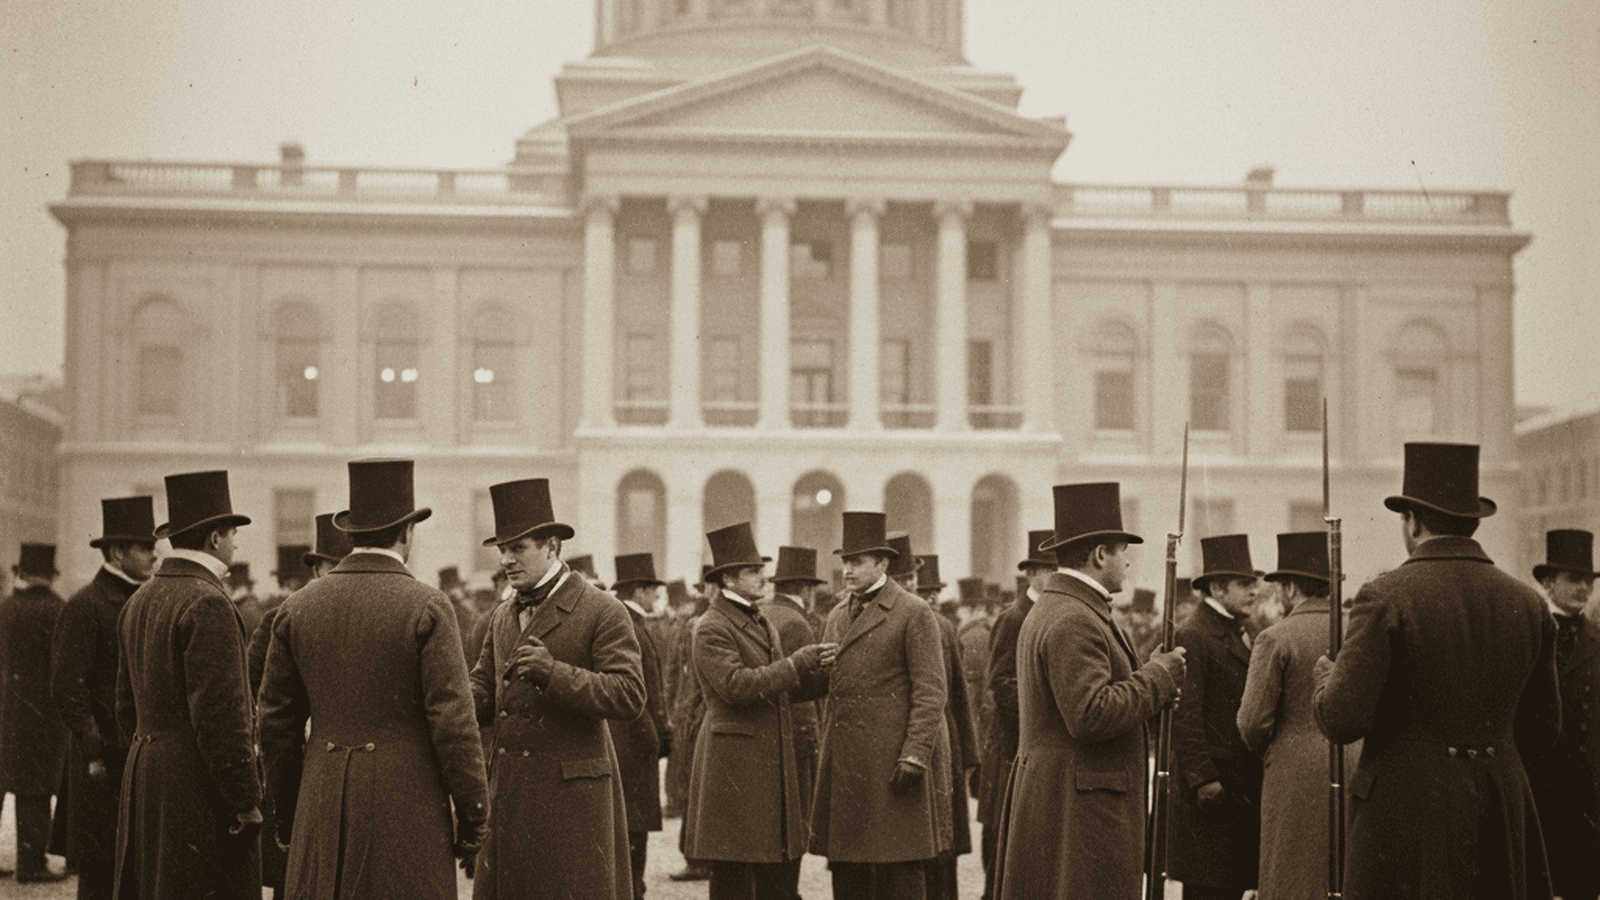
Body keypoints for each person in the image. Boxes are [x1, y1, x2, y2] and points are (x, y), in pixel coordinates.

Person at [1314, 442, 1561, 899]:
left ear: (1412, 521)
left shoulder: (1386, 595)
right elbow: (1545, 726)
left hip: (1405, 812)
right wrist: (1487, 756)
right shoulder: (1528, 603)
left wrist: (1325, 677)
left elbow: (1342, 719)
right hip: (1499, 806)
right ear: (1472, 521)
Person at [258, 459, 489, 899]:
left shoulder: (297, 608)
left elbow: (275, 725)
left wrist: (286, 813)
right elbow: (454, 723)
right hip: (407, 804)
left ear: (350, 534)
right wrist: (474, 812)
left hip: (320, 798)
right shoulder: (427, 605)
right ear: (407, 533)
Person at [994, 482, 1185, 899]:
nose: (1128, 563)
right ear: (1100, 554)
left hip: (1069, 803)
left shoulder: (1067, 607)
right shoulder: (1074, 617)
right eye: (1122, 551)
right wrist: (1157, 677)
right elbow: (1091, 714)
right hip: (1081, 811)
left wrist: (1152, 691)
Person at [469, 477, 645, 900]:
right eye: (502, 551)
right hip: (511, 796)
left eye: (518, 548)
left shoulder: (602, 609)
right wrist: (437, 698)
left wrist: (554, 674)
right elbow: (483, 690)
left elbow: (629, 694)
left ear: (552, 546)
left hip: (574, 803)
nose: (507, 561)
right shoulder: (503, 615)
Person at [114, 469, 262, 899]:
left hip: (146, 775)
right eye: (233, 533)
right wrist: (244, 799)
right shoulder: (208, 601)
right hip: (196, 786)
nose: (236, 543)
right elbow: (221, 717)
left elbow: (125, 705)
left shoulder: (139, 599)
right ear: (215, 538)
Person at [685, 524, 834, 900]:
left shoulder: (759, 619)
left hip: (762, 762)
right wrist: (797, 663)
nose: (763, 577)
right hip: (734, 764)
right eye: (753, 571)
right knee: (733, 871)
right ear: (729, 579)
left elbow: (779, 684)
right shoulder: (711, 627)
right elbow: (737, 686)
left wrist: (828, 675)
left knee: (769, 865)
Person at [811, 511, 951, 900]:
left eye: (857, 562)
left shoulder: (913, 612)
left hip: (891, 764)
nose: (848, 571)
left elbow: (931, 691)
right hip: (848, 765)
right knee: (849, 870)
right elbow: (826, 680)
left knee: (899, 872)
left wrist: (915, 754)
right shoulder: (838, 615)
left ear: (883, 563)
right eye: (845, 562)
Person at [1236, 531, 1359, 900]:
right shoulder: (1357, 628)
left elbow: (1251, 721)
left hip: (1293, 775)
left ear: (1290, 588)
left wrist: (1278, 749)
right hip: (1356, 763)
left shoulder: (1276, 637)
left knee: (1293, 876)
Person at [50, 498, 156, 897]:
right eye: (145, 548)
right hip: (101, 766)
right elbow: (67, 689)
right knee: (100, 874)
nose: (154, 555)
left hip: (131, 757)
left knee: (131, 871)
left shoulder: (143, 600)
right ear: (117, 552)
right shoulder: (85, 606)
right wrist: (94, 751)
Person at [1167, 533, 1263, 900]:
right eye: (1244, 584)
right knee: (1208, 887)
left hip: (1238, 787)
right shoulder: (1194, 634)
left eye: (1254, 584)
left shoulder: (1243, 631)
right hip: (1212, 792)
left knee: (1230, 884)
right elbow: (1185, 715)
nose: (1254, 592)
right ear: (1218, 588)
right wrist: (1203, 779)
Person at [895, 537, 978, 900]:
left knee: (942, 842)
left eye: (928, 590)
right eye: (915, 586)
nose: (924, 597)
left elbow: (959, 695)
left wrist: (970, 756)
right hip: (916, 741)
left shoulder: (943, 628)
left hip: (943, 744)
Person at [977, 529, 1052, 900]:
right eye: (1050, 570)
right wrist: (1045, 716)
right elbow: (1000, 682)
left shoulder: (1053, 612)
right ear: (1032, 574)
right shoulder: (1015, 617)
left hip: (1036, 752)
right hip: (1011, 748)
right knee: (1004, 846)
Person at [1527, 528, 1600, 900]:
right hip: (1539, 784)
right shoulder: (1530, 634)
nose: (1584, 588)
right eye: (1574, 579)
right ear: (1548, 582)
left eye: (1589, 580)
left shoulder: (1598, 640)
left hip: (1587, 790)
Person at [1, 543, 68, 883]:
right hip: (40, 717)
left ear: (21, 572)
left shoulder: (6, 608)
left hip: (4, 711)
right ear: (51, 575)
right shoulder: (57, 610)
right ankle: (30, 862)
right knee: (35, 790)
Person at [608, 553, 671, 900]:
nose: (656, 597)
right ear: (640, 590)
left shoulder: (627, 621)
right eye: (652, 589)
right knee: (633, 833)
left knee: (629, 829)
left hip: (626, 742)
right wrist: (660, 736)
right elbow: (647, 693)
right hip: (634, 743)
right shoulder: (632, 625)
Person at [759, 545, 828, 835]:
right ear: (805, 588)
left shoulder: (763, 612)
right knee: (795, 813)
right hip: (796, 725)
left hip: (763, 722)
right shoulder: (798, 622)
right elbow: (807, 683)